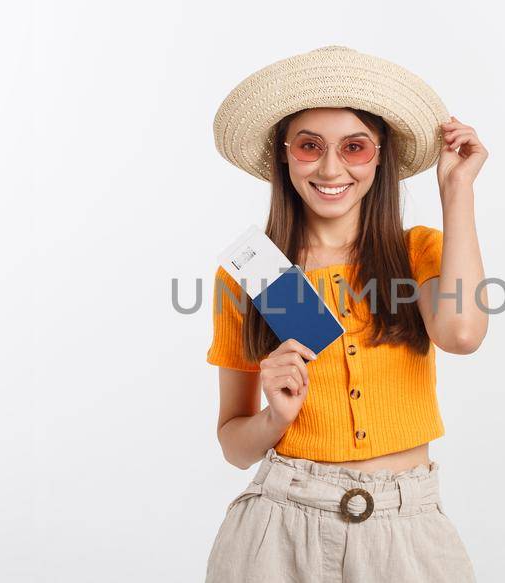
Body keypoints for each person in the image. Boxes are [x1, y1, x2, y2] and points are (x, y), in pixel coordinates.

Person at [204, 46, 489, 582]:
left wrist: (457, 191)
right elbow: (234, 446)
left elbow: (463, 333)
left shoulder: (417, 254)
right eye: (310, 146)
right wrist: (275, 417)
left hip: (406, 530)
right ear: (284, 156)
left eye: (354, 147)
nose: (331, 168)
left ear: (380, 157)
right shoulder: (252, 277)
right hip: (278, 531)